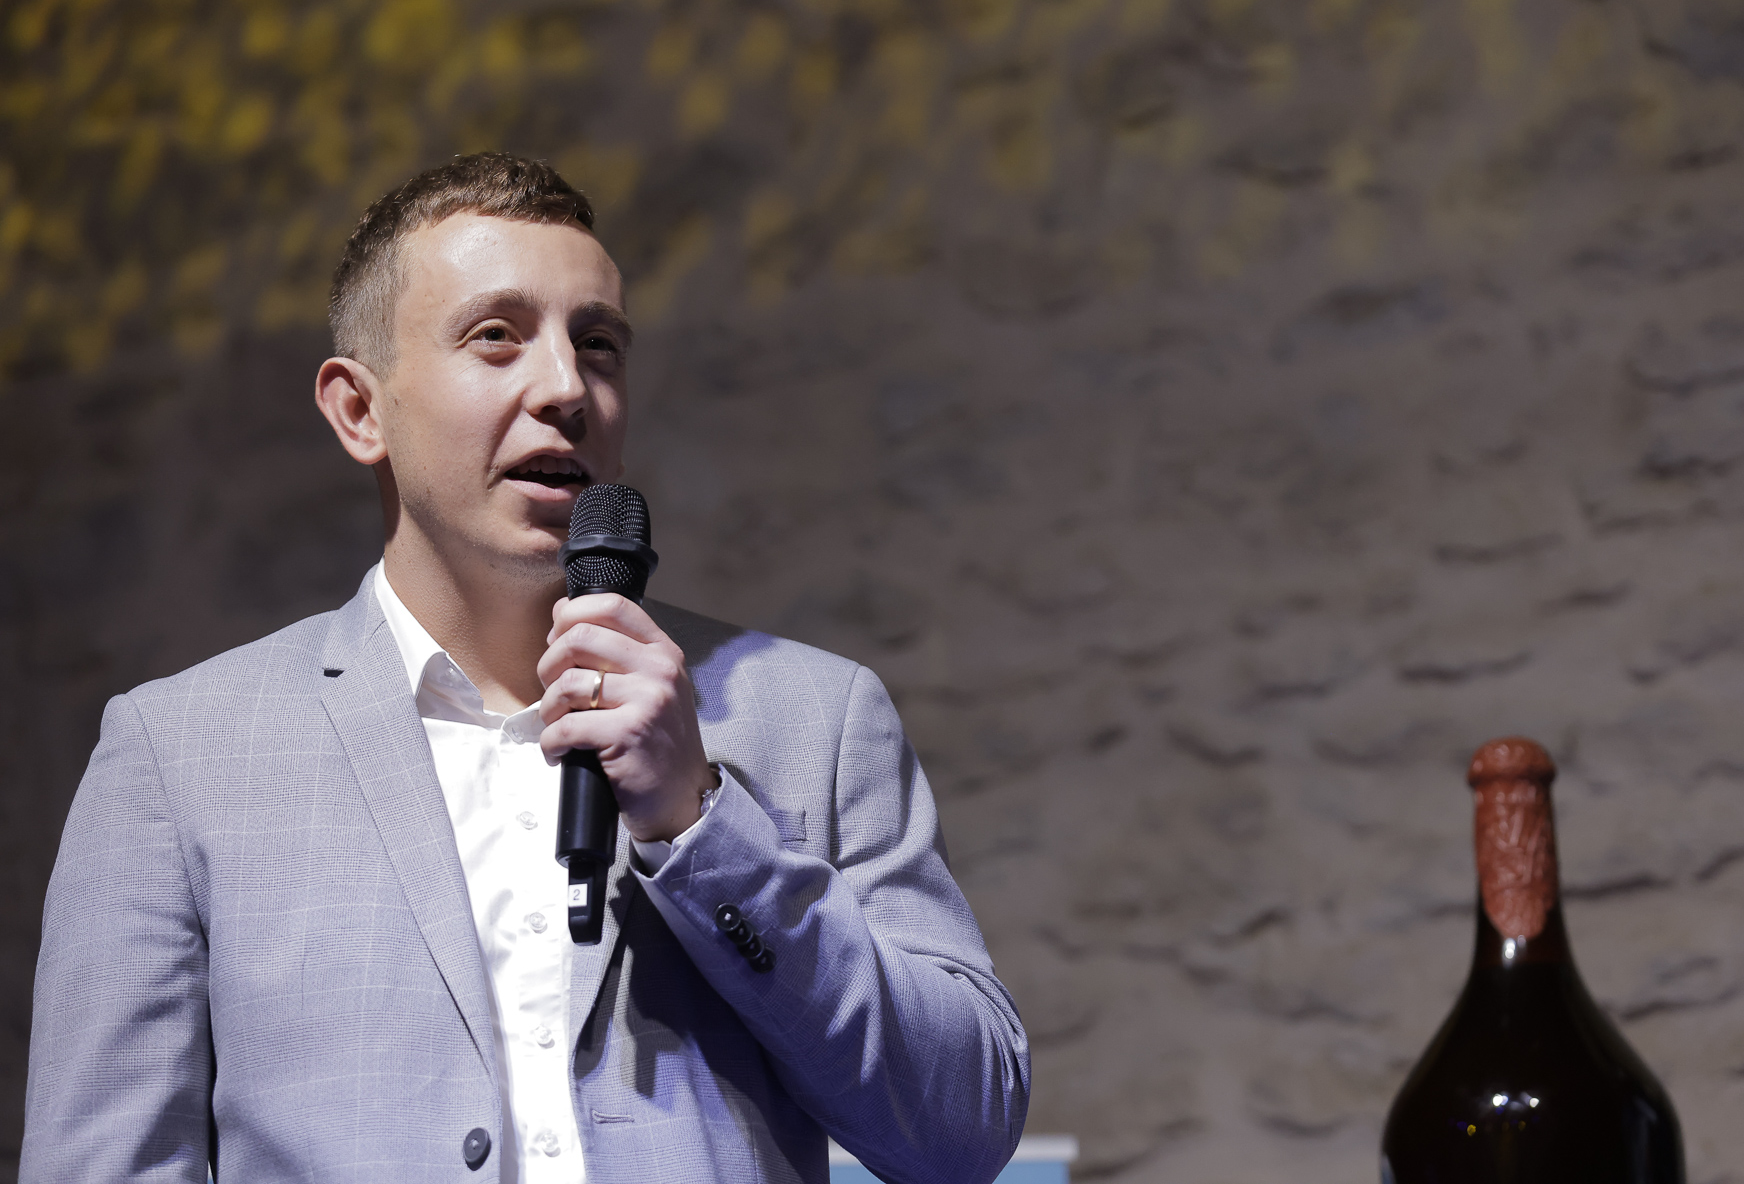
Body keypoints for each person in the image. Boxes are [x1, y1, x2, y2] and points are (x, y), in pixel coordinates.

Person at [24, 154, 1029, 1183]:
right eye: (496, 336)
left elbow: (965, 1130)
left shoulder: (813, 714)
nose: (565, 388)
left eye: (598, 344)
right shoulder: (181, 754)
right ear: (360, 410)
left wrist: (700, 825)